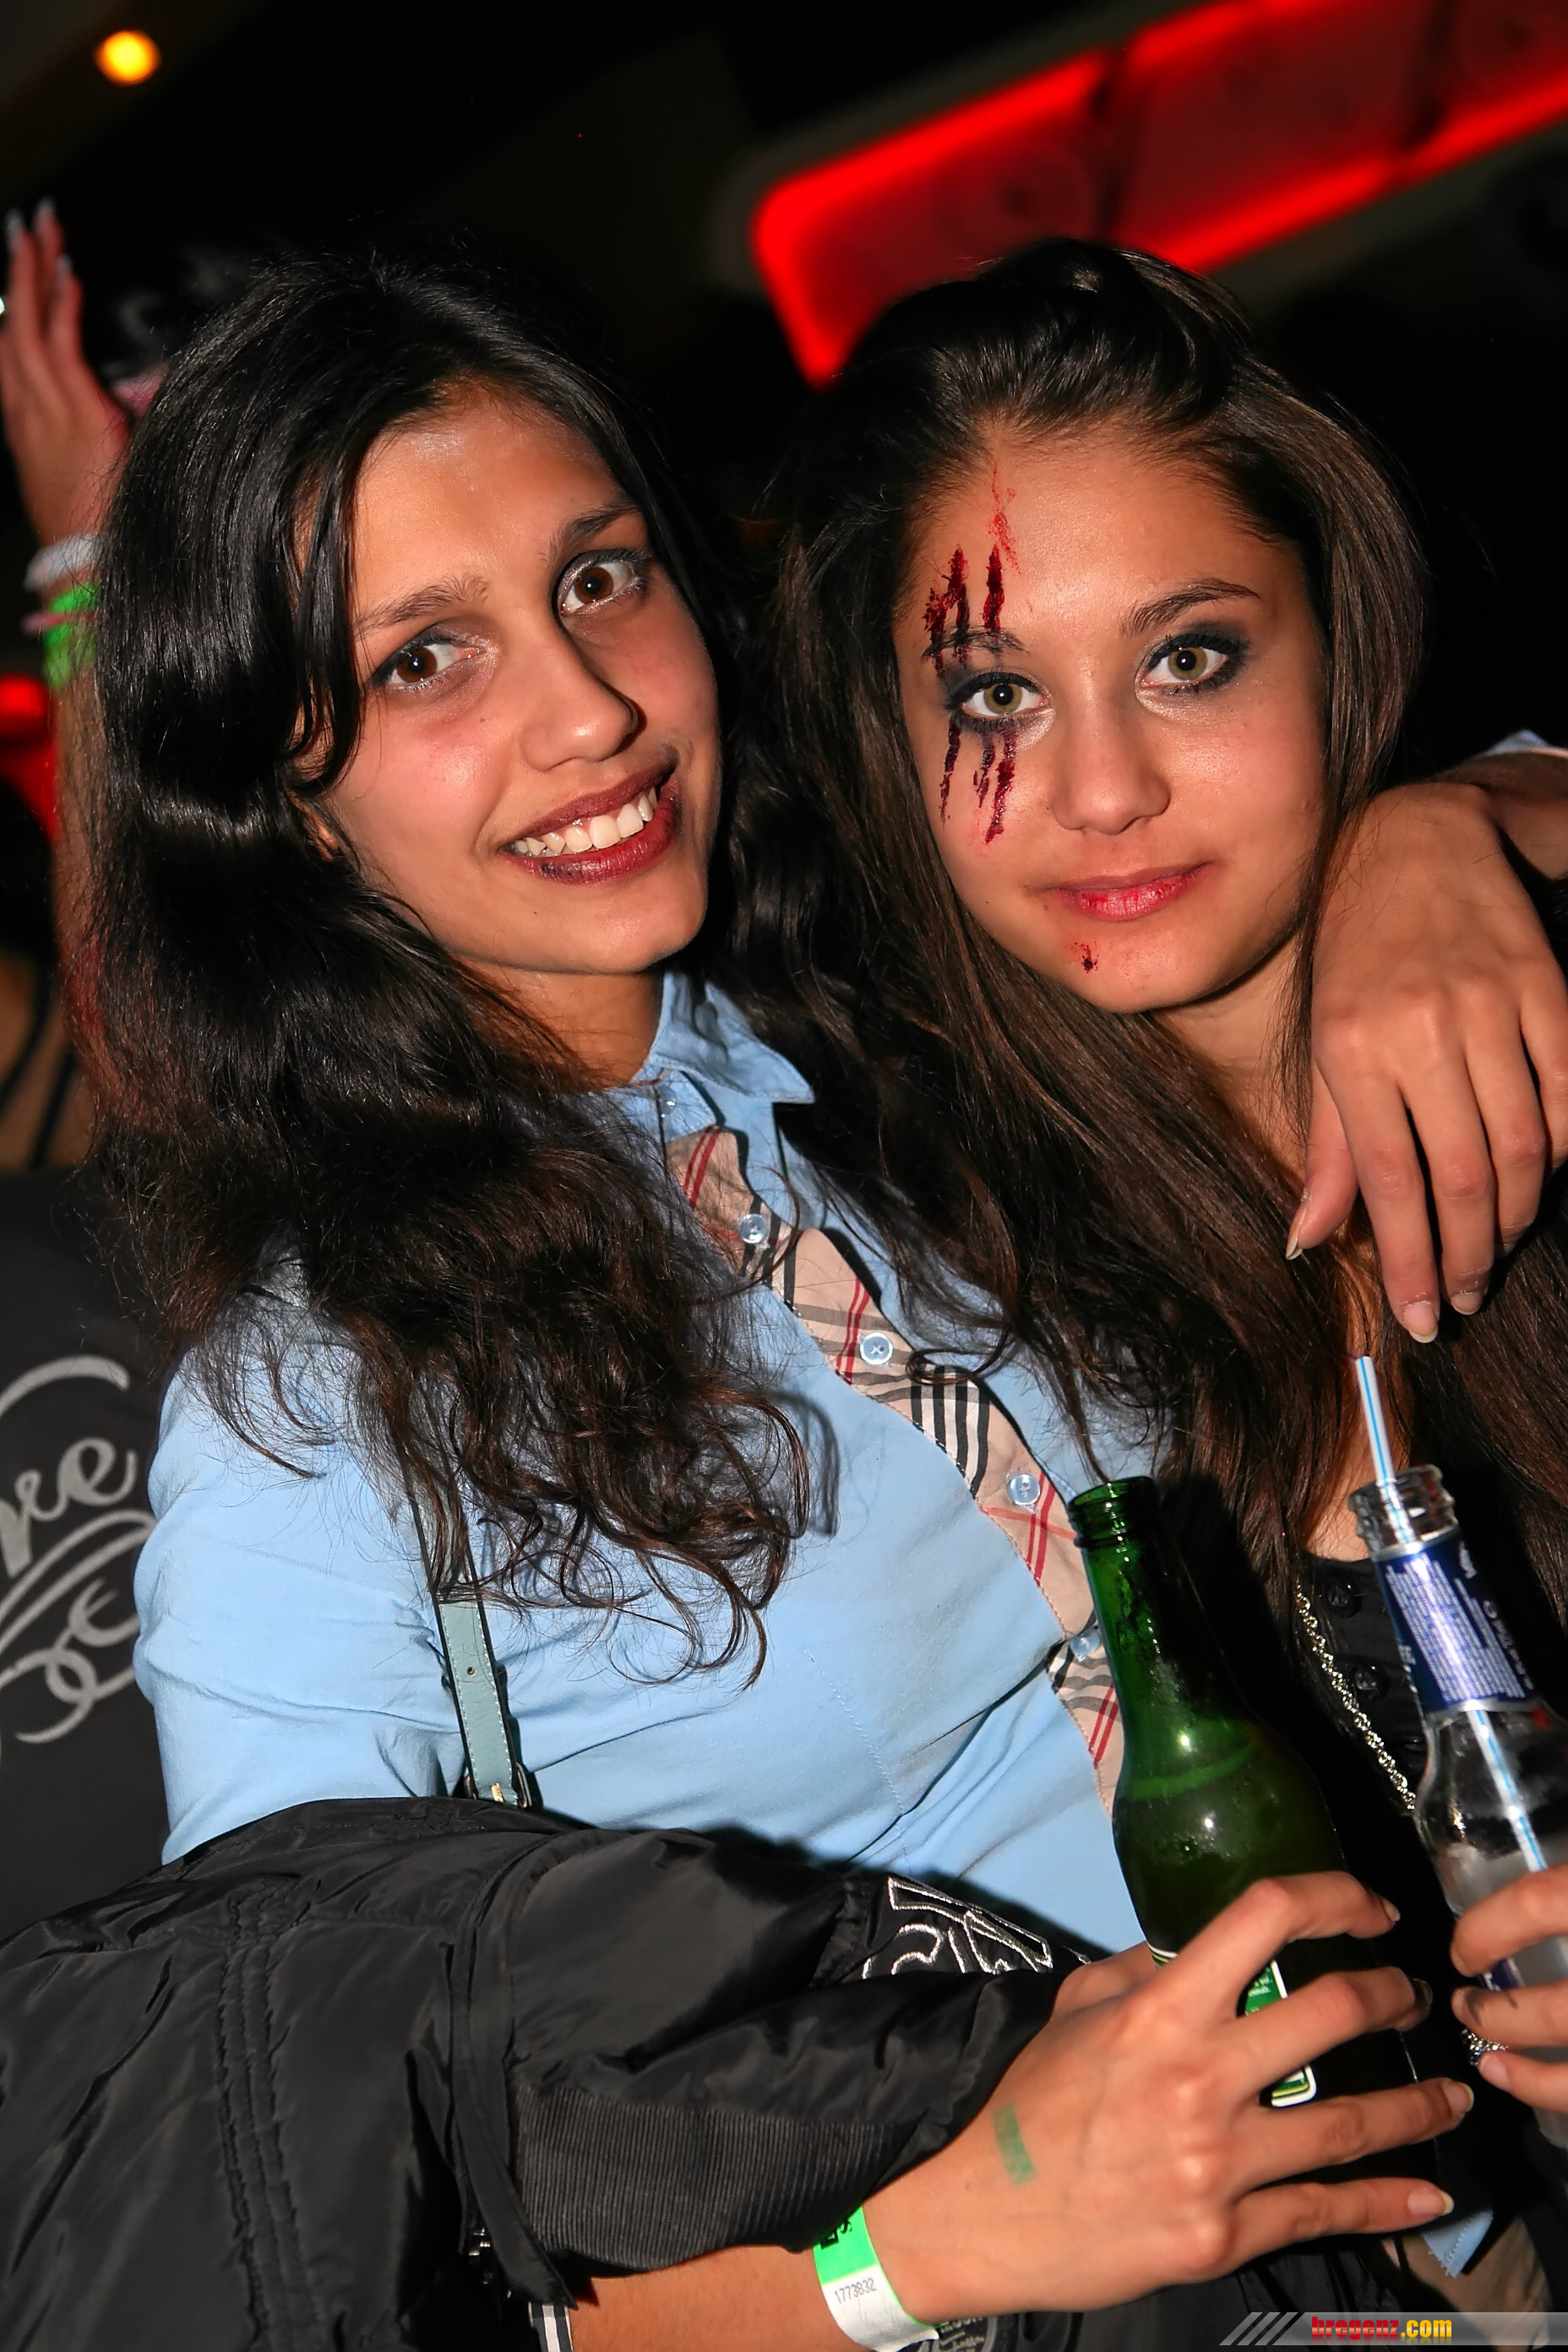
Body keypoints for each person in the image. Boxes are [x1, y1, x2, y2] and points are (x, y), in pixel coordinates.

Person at [83, 246, 1548, 2339]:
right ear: (277, 794)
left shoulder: (912, 1035)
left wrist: (1449, 828)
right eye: (425, 659)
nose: (586, 711)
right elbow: (303, 2256)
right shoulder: (310, 1428)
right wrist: (936, 2243)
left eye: (598, 580)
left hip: (1459, 2217)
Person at [743, 236, 1568, 2308]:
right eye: (994, 697)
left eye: (1191, 657)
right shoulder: (966, 1301)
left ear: (1336, 644)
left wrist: (1479, 809)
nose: (1100, 791)